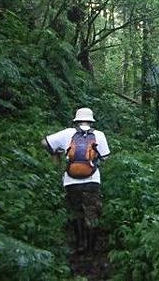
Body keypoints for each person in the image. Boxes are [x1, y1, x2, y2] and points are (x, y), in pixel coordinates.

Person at [42, 107, 110, 253]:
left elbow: (44, 142)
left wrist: (56, 154)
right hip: (92, 180)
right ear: (91, 121)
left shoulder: (67, 133)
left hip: (71, 181)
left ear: (76, 120)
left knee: (76, 213)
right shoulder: (99, 135)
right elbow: (105, 157)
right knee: (91, 213)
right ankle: (91, 248)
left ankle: (80, 244)